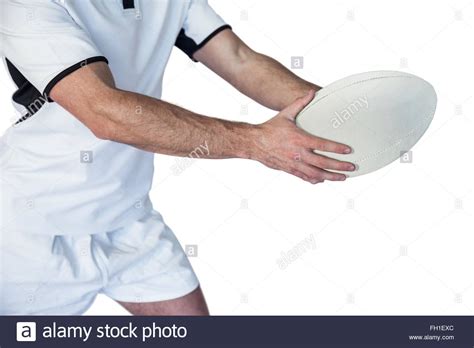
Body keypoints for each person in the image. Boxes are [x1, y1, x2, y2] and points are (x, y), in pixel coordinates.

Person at [0, 0, 355, 315]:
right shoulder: (24, 6)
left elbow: (238, 59)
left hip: (127, 215)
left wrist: (333, 112)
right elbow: (104, 112)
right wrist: (257, 142)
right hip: (30, 228)